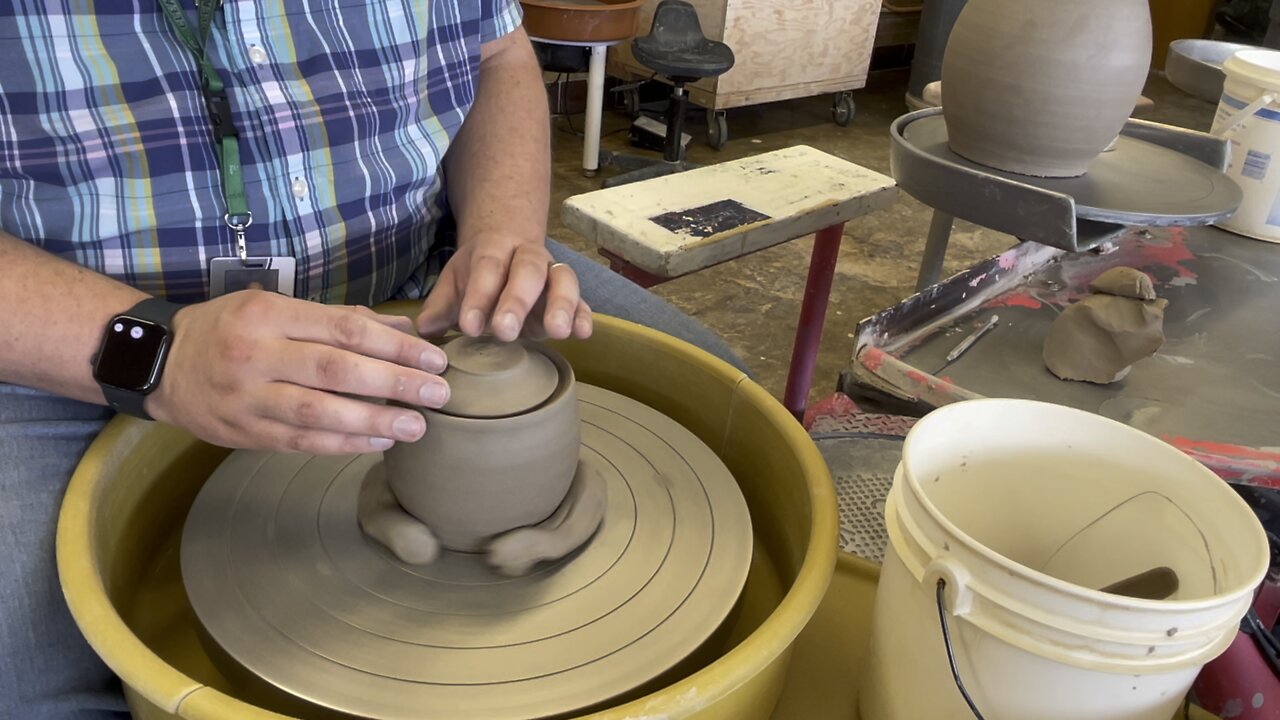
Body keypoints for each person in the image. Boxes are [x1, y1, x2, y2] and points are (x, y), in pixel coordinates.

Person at [0, 2, 744, 717]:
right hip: (97, 342)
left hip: (426, 282)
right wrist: (157, 354)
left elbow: (494, 54)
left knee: (736, 428)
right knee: (26, 686)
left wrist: (501, 231)